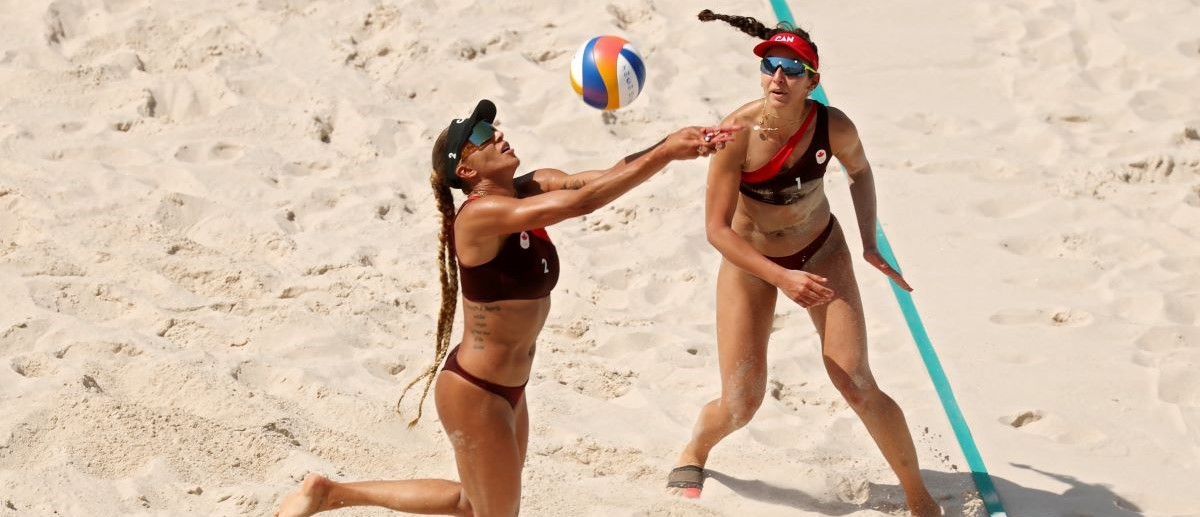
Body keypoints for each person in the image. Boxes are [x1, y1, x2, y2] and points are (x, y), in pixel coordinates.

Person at [275, 99, 740, 517]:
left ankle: (328, 494)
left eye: (490, 126)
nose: (495, 133)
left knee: (474, 504)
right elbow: (582, 203)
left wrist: (675, 143)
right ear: (467, 171)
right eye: (480, 136)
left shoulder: (528, 186)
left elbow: (600, 178)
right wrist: (664, 154)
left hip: (508, 390)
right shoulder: (478, 216)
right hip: (476, 393)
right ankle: (329, 494)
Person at [665, 10, 941, 517]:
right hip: (752, 262)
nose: (778, 77)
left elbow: (860, 174)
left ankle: (919, 499)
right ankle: (694, 452)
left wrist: (868, 242)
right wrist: (780, 277)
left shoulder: (833, 126)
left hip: (820, 249)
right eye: (771, 65)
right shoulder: (737, 134)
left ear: (813, 80)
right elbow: (717, 231)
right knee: (741, 403)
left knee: (855, 379)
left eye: (792, 69)